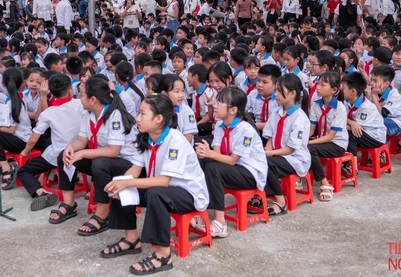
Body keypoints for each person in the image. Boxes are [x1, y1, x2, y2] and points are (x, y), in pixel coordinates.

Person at [101, 94, 209, 275]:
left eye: (143, 114)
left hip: (188, 194)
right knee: (120, 185)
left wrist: (129, 183)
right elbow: (135, 170)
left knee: (155, 193)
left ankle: (163, 254)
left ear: (159, 119)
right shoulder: (146, 137)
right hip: (161, 189)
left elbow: (163, 181)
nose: (137, 118)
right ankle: (131, 239)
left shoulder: (175, 140)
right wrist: (121, 183)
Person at [50, 75, 138, 233]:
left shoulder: (115, 116)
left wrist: (83, 153)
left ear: (93, 100)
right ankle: (69, 204)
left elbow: (114, 150)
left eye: (81, 95)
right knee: (64, 156)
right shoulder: (88, 114)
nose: (79, 98)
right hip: (103, 162)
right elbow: (82, 140)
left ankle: (102, 215)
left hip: (126, 165)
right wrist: (71, 147)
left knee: (100, 162)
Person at [194, 86, 267, 237]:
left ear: (233, 110)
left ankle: (220, 223)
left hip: (250, 173)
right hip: (234, 168)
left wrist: (211, 154)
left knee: (213, 167)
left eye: (219, 103)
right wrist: (206, 153)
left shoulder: (245, 130)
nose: (214, 106)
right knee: (203, 161)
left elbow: (233, 160)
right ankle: (198, 210)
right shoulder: (221, 126)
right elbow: (218, 153)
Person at [17, 73, 83, 211]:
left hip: (56, 155)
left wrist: (25, 152)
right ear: (71, 90)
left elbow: (34, 138)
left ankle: (42, 192)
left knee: (23, 171)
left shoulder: (49, 112)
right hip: (80, 152)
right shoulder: (80, 104)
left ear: (50, 92)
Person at [262, 73, 311, 216]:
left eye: (279, 90)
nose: (275, 94)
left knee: (268, 162)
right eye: (276, 90)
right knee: (260, 160)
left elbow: (291, 149)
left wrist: (270, 154)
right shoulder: (276, 112)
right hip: (278, 155)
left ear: (292, 94)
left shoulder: (299, 118)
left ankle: (280, 201)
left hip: (295, 158)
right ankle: (261, 194)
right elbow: (270, 136)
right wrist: (268, 150)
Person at [308, 71, 347, 202]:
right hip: (322, 140)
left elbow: (331, 136)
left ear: (334, 90)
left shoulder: (340, 108)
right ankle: (300, 179)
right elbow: (311, 130)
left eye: (323, 85)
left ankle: (325, 184)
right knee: (297, 146)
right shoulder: (316, 104)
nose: (317, 87)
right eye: (318, 84)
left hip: (337, 144)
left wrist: (308, 143)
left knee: (310, 149)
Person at [342, 72, 386, 164]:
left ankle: (351, 165)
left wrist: (339, 125)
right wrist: (351, 122)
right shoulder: (346, 101)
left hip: (374, 136)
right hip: (362, 132)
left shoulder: (366, 107)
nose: (340, 89)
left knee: (350, 135)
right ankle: (345, 161)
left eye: (343, 88)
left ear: (353, 92)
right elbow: (340, 116)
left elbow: (357, 129)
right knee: (343, 133)